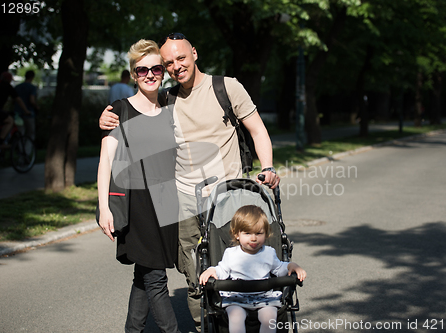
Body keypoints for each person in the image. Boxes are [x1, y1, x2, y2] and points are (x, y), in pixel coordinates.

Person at [99, 32, 280, 331]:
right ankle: (204, 327)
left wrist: (268, 166)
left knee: (237, 273)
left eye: (180, 58)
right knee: (194, 278)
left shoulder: (226, 87)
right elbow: (131, 113)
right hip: (181, 201)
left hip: (228, 198)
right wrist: (105, 118)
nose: (175, 66)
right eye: (167, 62)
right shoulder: (166, 98)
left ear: (194, 54)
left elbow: (258, 131)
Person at [97, 39, 180, 333]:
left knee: (143, 276)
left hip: (168, 203)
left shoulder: (172, 105)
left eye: (156, 68)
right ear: (133, 74)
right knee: (156, 278)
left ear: (163, 71)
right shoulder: (120, 110)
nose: (149, 74)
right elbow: (106, 161)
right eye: (142, 69)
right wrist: (104, 207)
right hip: (138, 206)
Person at [199, 205, 306, 333]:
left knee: (269, 318)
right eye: (247, 233)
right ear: (237, 234)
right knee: (236, 317)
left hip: (264, 297)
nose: (253, 238)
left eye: (259, 233)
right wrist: (212, 270)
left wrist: (291, 266)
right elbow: (222, 270)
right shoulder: (231, 253)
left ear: (266, 234)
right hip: (236, 297)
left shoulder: (269, 253)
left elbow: (279, 269)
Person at [0, 71, 30, 147]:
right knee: (10, 121)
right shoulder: (7, 86)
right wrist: (26, 111)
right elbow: (18, 100)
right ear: (9, 80)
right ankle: (0, 141)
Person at [14, 70, 39, 141]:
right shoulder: (32, 87)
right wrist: (36, 107)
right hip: (29, 113)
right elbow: (32, 100)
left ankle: (20, 149)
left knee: (20, 133)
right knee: (30, 133)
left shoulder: (18, 87)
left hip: (18, 113)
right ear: (32, 77)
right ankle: (27, 150)